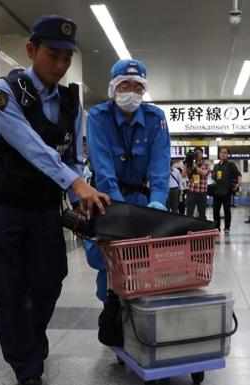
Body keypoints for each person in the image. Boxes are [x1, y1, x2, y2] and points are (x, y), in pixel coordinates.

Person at [0, 15, 109, 385]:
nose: (61, 65)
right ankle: (26, 367)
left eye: (68, 57)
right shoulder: (5, 92)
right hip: (1, 207)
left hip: (43, 208)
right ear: (31, 50)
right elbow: (30, 146)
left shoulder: (70, 101)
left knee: (51, 279)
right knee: (10, 288)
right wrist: (76, 183)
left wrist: (74, 186)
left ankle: (31, 337)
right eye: (53, 55)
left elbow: (72, 155)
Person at [84, 58, 170, 302]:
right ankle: (112, 324)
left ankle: (142, 324)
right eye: (124, 86)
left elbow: (160, 165)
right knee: (109, 268)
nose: (131, 92)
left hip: (144, 204)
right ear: (113, 88)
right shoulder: (98, 117)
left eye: (138, 86)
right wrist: (122, 212)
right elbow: (103, 169)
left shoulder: (156, 118)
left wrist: (158, 201)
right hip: (109, 201)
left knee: (145, 266)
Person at [210, 147, 241, 235]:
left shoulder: (231, 164)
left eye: (225, 153)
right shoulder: (216, 165)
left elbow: (238, 174)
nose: (223, 154)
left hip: (226, 191)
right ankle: (217, 228)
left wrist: (238, 184)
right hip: (217, 191)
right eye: (221, 152)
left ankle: (227, 228)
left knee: (227, 210)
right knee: (215, 211)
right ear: (219, 154)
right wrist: (213, 175)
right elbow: (215, 177)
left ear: (227, 154)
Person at [184, 147, 211, 218]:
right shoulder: (190, 165)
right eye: (196, 153)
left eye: (199, 153)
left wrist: (193, 165)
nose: (198, 154)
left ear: (202, 154)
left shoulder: (206, 165)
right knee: (189, 213)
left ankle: (201, 228)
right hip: (191, 192)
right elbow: (183, 175)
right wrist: (186, 163)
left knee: (202, 215)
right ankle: (188, 228)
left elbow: (204, 173)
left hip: (202, 193)